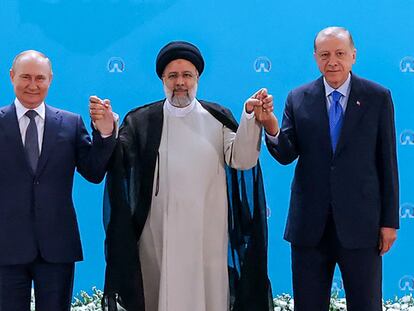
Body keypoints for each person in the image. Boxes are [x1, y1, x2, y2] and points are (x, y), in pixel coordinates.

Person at [99, 41, 274, 311]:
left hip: (208, 235)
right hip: (157, 236)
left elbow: (243, 158)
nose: (180, 82)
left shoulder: (217, 118)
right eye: (173, 76)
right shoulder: (141, 122)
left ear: (197, 78)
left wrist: (250, 118)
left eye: (186, 75)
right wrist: (108, 129)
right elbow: (120, 166)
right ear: (162, 79)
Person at [257, 26, 399, 310]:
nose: (332, 61)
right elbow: (286, 153)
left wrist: (389, 222)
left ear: (353, 56)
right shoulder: (298, 98)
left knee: (366, 305)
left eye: (339, 53)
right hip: (310, 227)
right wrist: (270, 125)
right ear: (315, 58)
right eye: (324, 55)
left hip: (361, 225)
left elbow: (388, 163)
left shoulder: (377, 97)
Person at [0, 50, 117, 311]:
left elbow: (94, 172)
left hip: (57, 246)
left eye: (40, 78)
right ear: (11, 77)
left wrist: (106, 132)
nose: (33, 85)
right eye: (26, 77)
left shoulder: (70, 123)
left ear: (50, 79)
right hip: (5, 246)